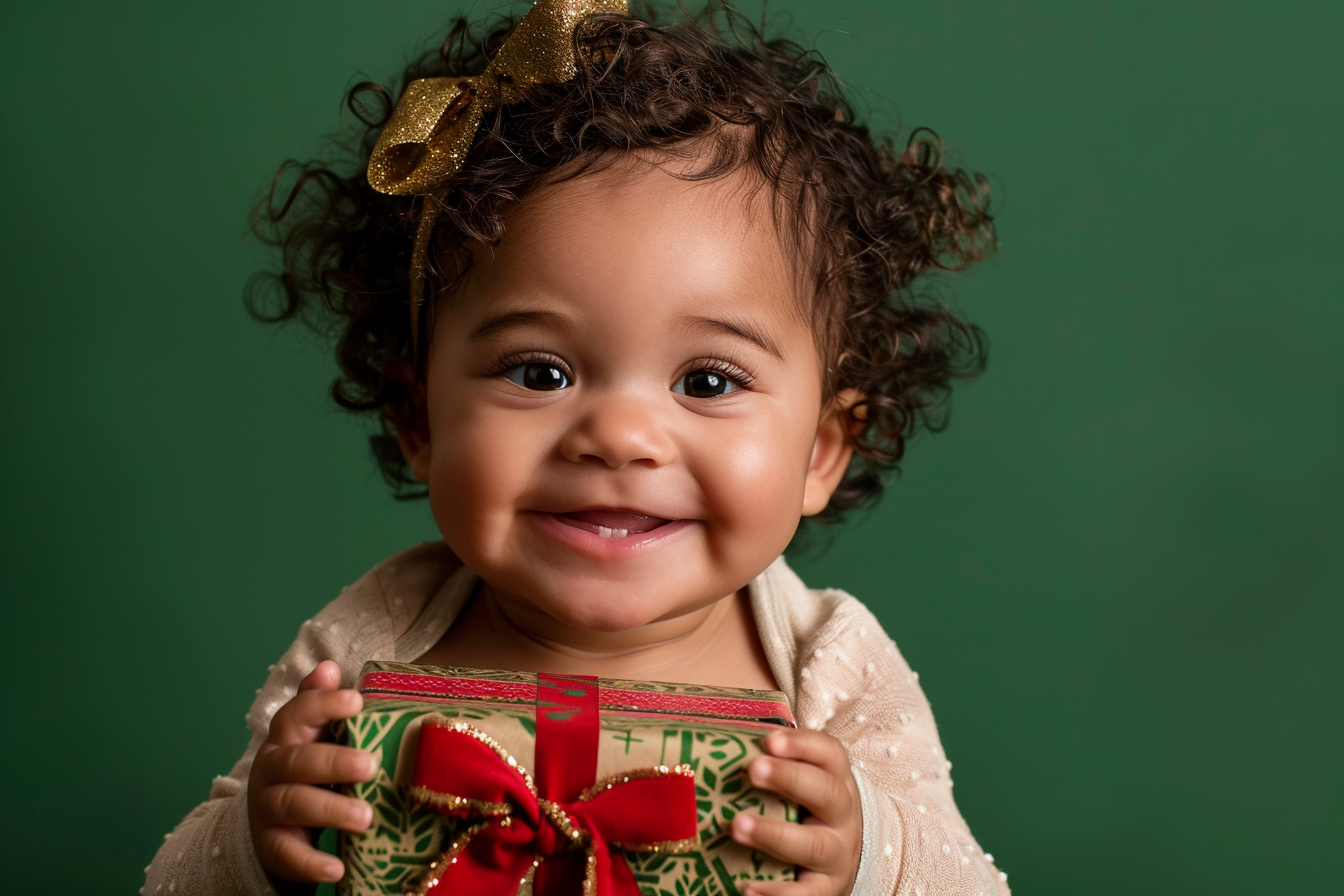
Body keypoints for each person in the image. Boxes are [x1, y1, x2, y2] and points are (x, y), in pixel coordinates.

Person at [145, 1, 1007, 894]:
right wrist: (253, 847)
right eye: (539, 373)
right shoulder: (370, 645)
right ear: (420, 423)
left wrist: (870, 854)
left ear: (824, 451)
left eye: (708, 381)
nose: (619, 437)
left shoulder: (829, 668)